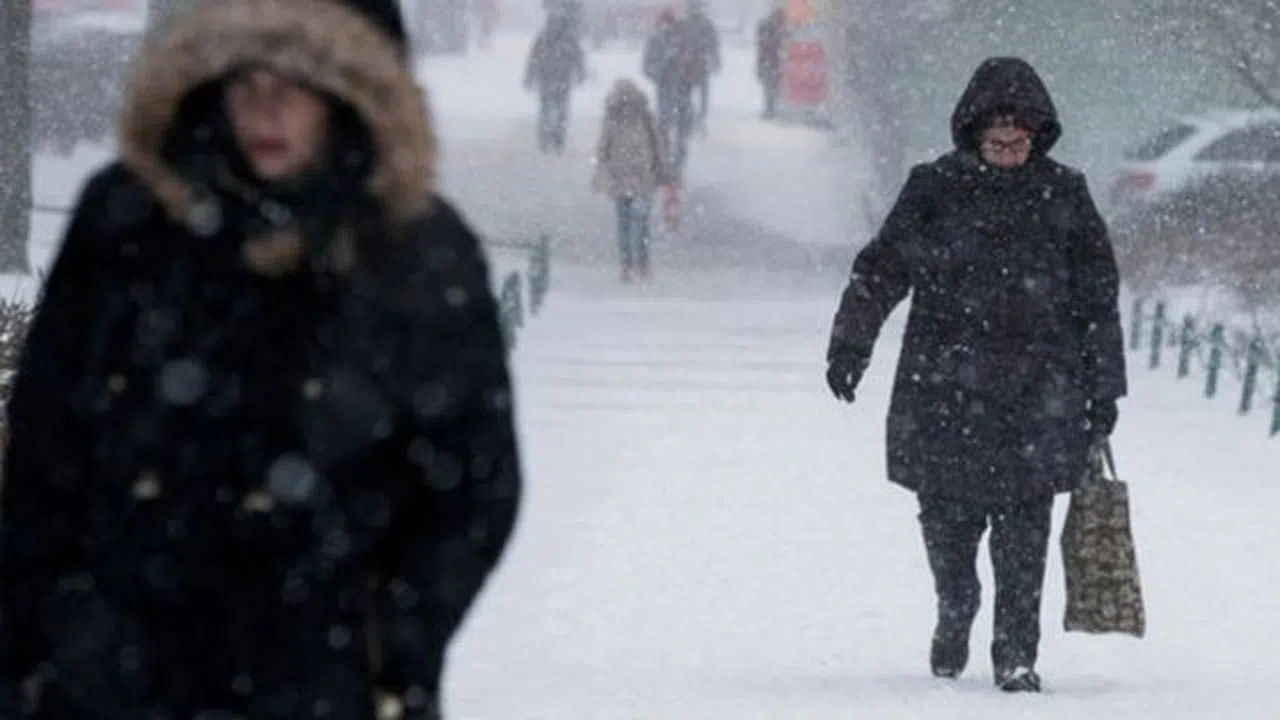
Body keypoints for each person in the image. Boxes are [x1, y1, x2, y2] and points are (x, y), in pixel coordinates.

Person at [0, 0, 522, 718]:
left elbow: (472, 485)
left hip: (325, 682)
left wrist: (391, 647)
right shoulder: (126, 223)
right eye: (247, 80)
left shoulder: (416, 254)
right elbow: (44, 450)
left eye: (296, 84)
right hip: (114, 681)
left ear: (347, 95)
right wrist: (42, 643)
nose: (266, 110)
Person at [824, 57, 1126, 693]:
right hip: (946, 392)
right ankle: (955, 606)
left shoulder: (1064, 195)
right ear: (973, 135)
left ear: (1038, 137)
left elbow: (1096, 298)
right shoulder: (933, 190)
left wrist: (1104, 390)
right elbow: (881, 271)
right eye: (997, 143)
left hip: (1037, 397)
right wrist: (851, 345)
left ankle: (1016, 653)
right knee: (948, 529)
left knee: (1025, 538)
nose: (1009, 154)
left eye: (1019, 143)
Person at [592, 79, 666, 283]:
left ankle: (627, 265)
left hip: (621, 179)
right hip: (643, 178)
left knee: (624, 224)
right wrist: (661, 170)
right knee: (641, 223)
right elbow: (657, 146)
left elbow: (602, 150)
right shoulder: (645, 118)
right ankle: (641, 263)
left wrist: (599, 173)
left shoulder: (612, 120)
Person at [642, 7, 696, 175]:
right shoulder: (656, 41)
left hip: (681, 89)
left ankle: (677, 160)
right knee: (666, 127)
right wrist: (664, 66)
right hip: (666, 89)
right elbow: (648, 67)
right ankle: (667, 161)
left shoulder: (683, 39)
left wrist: (687, 68)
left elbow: (694, 62)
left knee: (681, 127)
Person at [524, 11, 587, 154]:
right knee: (560, 110)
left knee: (547, 109)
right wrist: (580, 73)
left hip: (548, 79)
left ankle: (546, 137)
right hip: (561, 79)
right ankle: (557, 136)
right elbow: (578, 57)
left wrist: (530, 77)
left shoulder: (544, 37)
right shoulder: (568, 38)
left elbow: (533, 58)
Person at [684, 0, 721, 134]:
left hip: (691, 65)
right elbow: (714, 45)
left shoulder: (685, 24)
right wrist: (715, 60)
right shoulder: (705, 24)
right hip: (696, 65)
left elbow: (713, 44)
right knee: (699, 94)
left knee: (691, 95)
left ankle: (695, 118)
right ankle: (697, 118)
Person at [755, 7, 786, 119]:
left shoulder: (767, 27)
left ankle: (770, 109)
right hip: (772, 63)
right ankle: (771, 109)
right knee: (771, 87)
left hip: (769, 63)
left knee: (770, 87)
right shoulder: (773, 28)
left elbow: (761, 46)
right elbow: (766, 45)